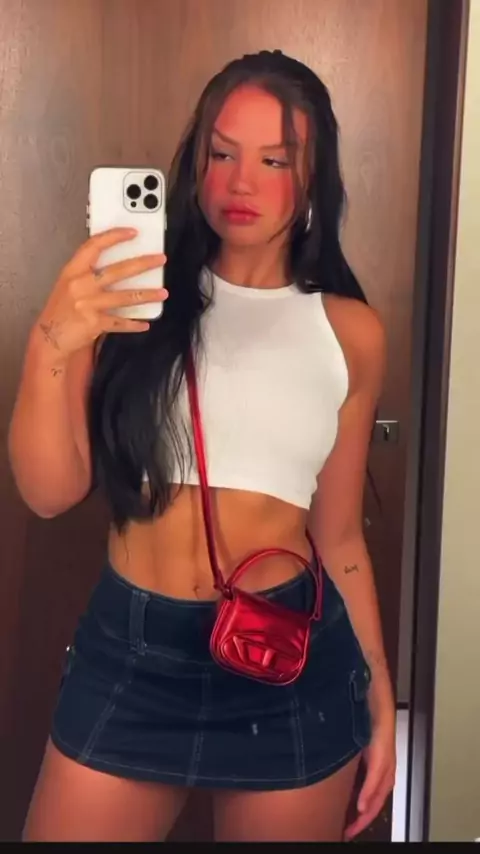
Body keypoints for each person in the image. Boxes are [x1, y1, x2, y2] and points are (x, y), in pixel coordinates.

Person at [8, 50, 396, 842]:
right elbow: (48, 492)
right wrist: (54, 336)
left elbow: (339, 537)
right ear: (196, 162)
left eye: (274, 160)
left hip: (287, 659)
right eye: (222, 154)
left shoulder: (350, 333)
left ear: (314, 177)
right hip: (131, 655)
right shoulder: (126, 299)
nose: (240, 182)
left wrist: (378, 690)